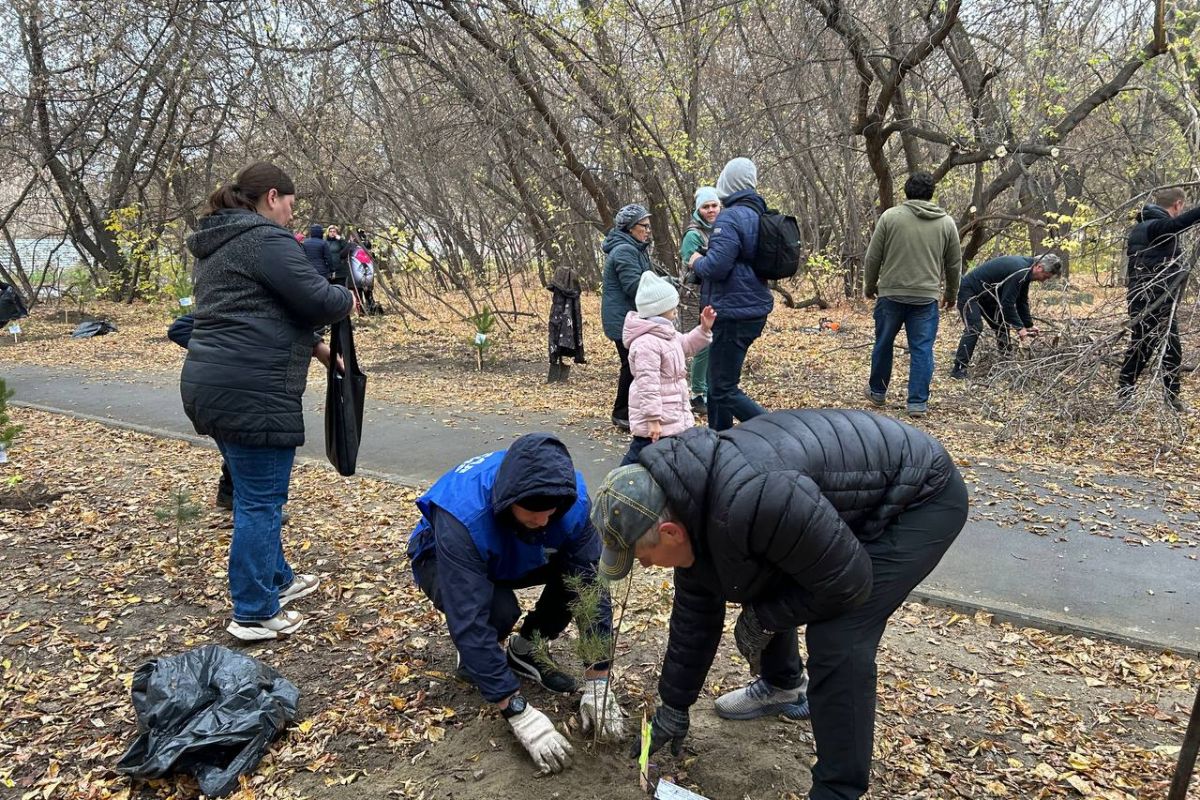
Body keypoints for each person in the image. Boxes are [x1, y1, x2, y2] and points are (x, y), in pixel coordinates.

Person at [591, 410, 969, 800]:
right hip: (834, 497)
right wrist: (674, 703)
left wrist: (763, 619)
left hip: (919, 496)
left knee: (839, 636)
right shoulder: (692, 501)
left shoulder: (755, 498)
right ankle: (783, 685)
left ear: (669, 532)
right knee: (751, 570)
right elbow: (695, 612)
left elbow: (850, 584)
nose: (646, 565)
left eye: (642, 556)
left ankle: (836, 792)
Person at [180, 162, 353, 641]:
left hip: (210, 385)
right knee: (261, 502)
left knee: (256, 495)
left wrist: (316, 346)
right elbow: (318, 299)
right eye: (291, 206)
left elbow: (261, 309)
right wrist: (346, 293)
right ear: (272, 196)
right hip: (253, 390)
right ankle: (254, 612)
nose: (291, 217)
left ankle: (277, 580)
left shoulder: (219, 244)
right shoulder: (265, 240)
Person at [406, 433, 625, 773]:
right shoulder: (462, 514)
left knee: (577, 576)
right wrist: (517, 709)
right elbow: (469, 616)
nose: (542, 521)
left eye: (549, 514)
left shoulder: (571, 505)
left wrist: (598, 676)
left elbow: (590, 589)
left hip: (515, 551)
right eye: (533, 513)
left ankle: (525, 650)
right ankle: (479, 658)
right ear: (508, 501)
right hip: (443, 558)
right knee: (498, 610)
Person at [863, 171, 962, 417]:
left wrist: (870, 285)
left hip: (891, 294)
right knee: (922, 349)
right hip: (926, 297)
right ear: (931, 194)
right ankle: (917, 402)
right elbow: (954, 264)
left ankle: (877, 392)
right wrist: (951, 293)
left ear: (906, 192)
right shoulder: (946, 222)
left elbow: (873, 256)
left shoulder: (890, 217)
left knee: (884, 343)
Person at [687, 157, 773, 431]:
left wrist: (695, 261)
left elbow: (717, 266)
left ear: (728, 182)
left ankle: (775, 429)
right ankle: (719, 441)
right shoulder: (759, 213)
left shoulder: (732, 216)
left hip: (734, 312)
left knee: (723, 388)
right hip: (751, 307)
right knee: (718, 384)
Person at [621, 271, 715, 466]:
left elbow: (687, 344)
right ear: (660, 308)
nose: (675, 308)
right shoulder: (647, 343)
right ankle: (617, 488)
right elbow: (648, 384)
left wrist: (703, 330)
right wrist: (653, 419)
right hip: (657, 419)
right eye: (672, 305)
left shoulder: (667, 334)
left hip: (673, 413)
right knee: (640, 455)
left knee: (669, 459)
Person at [1119, 187, 1200, 410]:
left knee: (1152, 346)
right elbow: (1175, 225)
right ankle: (1129, 392)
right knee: (1151, 346)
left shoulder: (1141, 227)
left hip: (1147, 296)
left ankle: (1134, 391)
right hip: (1152, 297)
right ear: (1178, 205)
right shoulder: (1155, 226)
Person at [951, 253, 1062, 378]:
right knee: (975, 327)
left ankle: (1006, 362)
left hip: (986, 294)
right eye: (1045, 277)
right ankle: (958, 369)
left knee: (1000, 325)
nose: (1043, 281)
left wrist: (1028, 325)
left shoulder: (1026, 270)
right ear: (1039, 267)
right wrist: (1020, 328)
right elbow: (1007, 303)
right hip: (969, 290)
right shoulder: (1020, 270)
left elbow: (1021, 300)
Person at [601, 204, 655, 430]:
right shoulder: (625, 251)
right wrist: (663, 287)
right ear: (631, 228)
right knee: (631, 365)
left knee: (632, 364)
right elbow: (635, 286)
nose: (648, 230)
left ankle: (630, 410)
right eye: (644, 226)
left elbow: (644, 278)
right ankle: (621, 412)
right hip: (623, 318)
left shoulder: (634, 248)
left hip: (631, 316)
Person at [679, 186, 720, 415]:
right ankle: (696, 393)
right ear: (698, 209)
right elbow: (689, 262)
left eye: (714, 205)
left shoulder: (720, 227)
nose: (711, 210)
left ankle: (704, 388)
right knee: (701, 342)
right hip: (693, 293)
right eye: (706, 207)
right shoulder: (694, 234)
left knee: (710, 341)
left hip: (711, 291)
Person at [547, 265, 585, 383]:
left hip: (560, 317)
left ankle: (559, 362)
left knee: (558, 329)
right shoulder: (566, 295)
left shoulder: (568, 297)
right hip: (560, 316)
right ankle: (557, 362)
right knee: (558, 329)